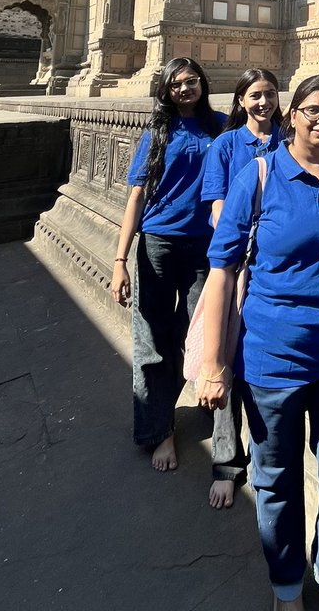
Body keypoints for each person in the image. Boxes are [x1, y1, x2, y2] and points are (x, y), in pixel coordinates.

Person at [199, 74, 319, 611]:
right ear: (292, 115)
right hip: (272, 359)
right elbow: (222, 270)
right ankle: (286, 585)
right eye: (311, 109)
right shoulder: (258, 175)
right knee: (276, 481)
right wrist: (214, 363)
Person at [112, 57, 225, 471]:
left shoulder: (220, 125)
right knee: (154, 341)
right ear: (165, 90)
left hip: (205, 246)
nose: (185, 89)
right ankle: (159, 430)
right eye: (176, 84)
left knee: (200, 332)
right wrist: (120, 260)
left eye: (191, 81)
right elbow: (137, 196)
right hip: (158, 244)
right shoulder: (159, 131)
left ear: (202, 83)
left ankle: (208, 398)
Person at [201, 68, 282, 510]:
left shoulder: (288, 142)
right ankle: (227, 463)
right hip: (234, 265)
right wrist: (246, 234)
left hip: (275, 268)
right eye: (254, 96)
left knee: (259, 362)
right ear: (240, 101)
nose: (263, 103)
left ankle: (269, 456)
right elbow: (216, 209)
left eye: (269, 94)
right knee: (226, 358)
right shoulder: (227, 145)